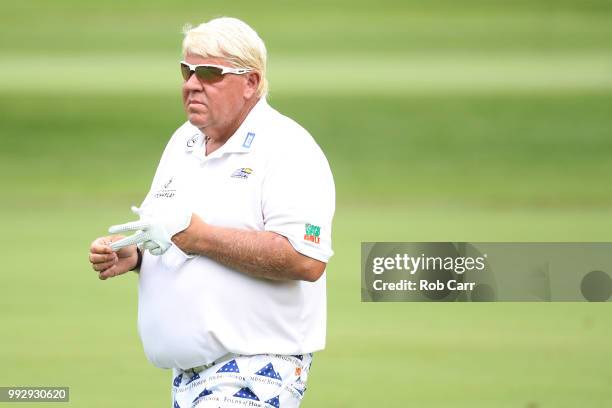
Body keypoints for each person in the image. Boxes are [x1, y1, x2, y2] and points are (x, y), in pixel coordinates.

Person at [88, 17, 335, 408]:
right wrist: (134, 254)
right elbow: (168, 231)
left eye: (208, 72)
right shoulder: (183, 141)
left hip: (257, 369)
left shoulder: (288, 148)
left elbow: (306, 259)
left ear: (250, 82)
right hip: (187, 377)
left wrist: (200, 237)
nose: (191, 83)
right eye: (186, 70)